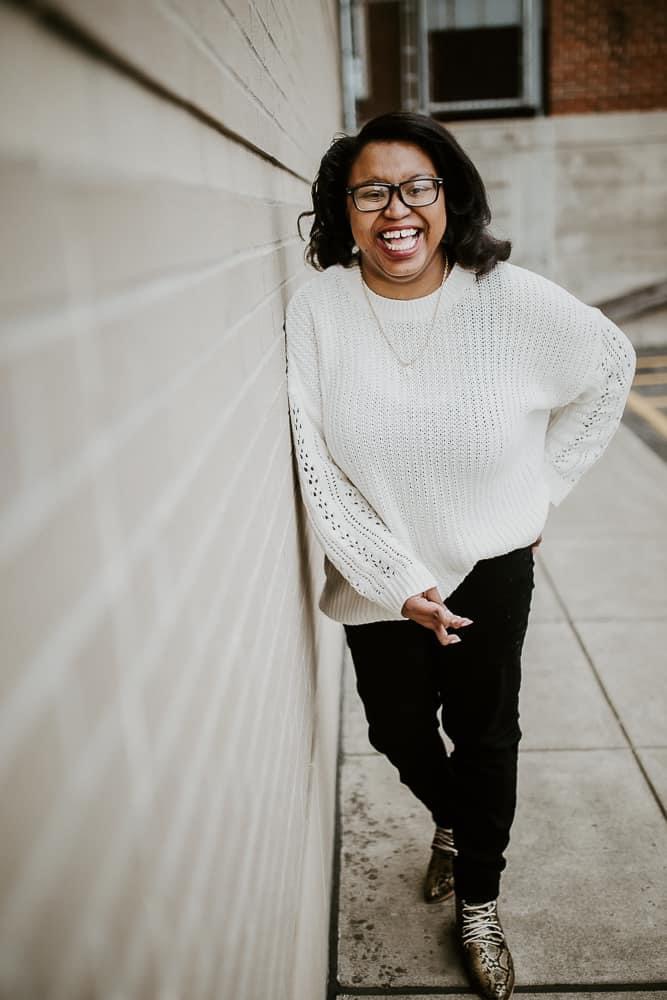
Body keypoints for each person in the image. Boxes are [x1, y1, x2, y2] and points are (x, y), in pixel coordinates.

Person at [284, 111, 636, 1000]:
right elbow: (314, 461)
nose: (394, 210)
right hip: (380, 571)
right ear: (343, 207)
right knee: (395, 729)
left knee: (484, 734)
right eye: (371, 191)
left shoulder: (506, 298)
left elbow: (610, 362)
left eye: (415, 187)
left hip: (491, 564)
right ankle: (455, 822)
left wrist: (543, 486)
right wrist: (398, 583)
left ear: (447, 197)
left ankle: (479, 896)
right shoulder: (320, 308)